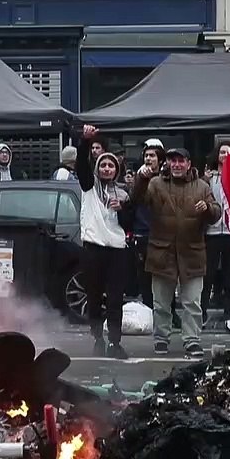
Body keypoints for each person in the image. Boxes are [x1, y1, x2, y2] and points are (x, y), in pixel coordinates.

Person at [134, 147, 221, 358]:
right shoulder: (155, 183)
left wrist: (208, 209)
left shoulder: (202, 185)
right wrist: (141, 180)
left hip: (192, 252)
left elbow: (216, 212)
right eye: (173, 161)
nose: (177, 165)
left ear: (189, 164)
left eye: (181, 161)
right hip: (161, 252)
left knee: (192, 302)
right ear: (168, 164)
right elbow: (137, 200)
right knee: (161, 302)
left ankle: (192, 340)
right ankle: (161, 339)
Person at [75, 125, 130, 359]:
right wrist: (85, 142)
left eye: (111, 166)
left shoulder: (123, 194)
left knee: (116, 298)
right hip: (93, 249)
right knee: (95, 296)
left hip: (117, 251)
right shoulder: (89, 187)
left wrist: (123, 210)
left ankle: (115, 342)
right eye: (103, 165)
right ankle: (98, 337)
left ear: (116, 170)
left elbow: (129, 225)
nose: (107, 168)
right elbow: (81, 167)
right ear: (98, 168)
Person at [203, 141, 230, 333]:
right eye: (223, 152)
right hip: (210, 232)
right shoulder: (208, 177)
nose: (225, 155)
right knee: (206, 275)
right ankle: (201, 313)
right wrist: (204, 179)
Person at [130, 142, 165, 307]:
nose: (149, 159)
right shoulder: (139, 177)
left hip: (162, 233)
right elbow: (134, 199)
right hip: (143, 233)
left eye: (152, 156)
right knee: (144, 276)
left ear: (160, 159)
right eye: (146, 156)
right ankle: (148, 308)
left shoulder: (166, 177)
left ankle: (168, 311)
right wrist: (141, 179)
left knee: (165, 275)